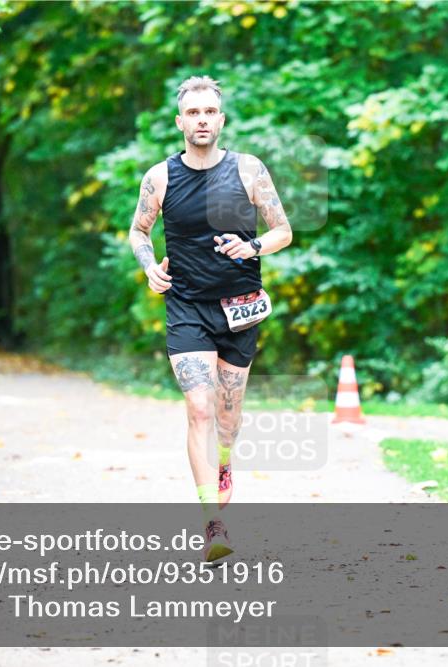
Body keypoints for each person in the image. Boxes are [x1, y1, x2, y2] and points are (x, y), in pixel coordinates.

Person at [128, 75, 293, 561]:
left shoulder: (248, 169)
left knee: (227, 417)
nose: (201, 120)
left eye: (209, 112)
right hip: (187, 307)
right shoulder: (160, 177)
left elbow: (283, 230)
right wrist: (149, 267)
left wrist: (253, 246)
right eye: (193, 113)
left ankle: (224, 462)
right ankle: (213, 524)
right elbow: (138, 232)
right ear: (180, 122)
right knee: (199, 409)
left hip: (240, 308)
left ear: (220, 119)